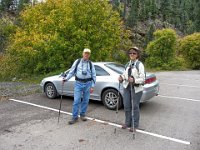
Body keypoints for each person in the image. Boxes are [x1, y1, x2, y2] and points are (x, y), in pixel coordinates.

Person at [63, 48, 96, 125]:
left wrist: (92, 86)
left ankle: (82, 114)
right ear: (83, 54)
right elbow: (71, 72)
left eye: (88, 54)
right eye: (85, 53)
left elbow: (94, 75)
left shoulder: (91, 64)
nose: (86, 55)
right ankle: (74, 117)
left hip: (88, 83)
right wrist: (66, 79)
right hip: (78, 83)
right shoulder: (77, 62)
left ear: (89, 55)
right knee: (76, 100)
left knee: (86, 100)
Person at [118, 47, 145, 132]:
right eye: (130, 53)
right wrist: (121, 78)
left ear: (137, 55)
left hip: (136, 89)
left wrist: (134, 80)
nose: (132, 54)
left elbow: (143, 78)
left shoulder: (139, 64)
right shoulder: (127, 64)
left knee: (135, 107)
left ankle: (134, 125)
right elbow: (124, 74)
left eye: (134, 53)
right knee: (126, 106)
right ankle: (127, 122)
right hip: (127, 87)